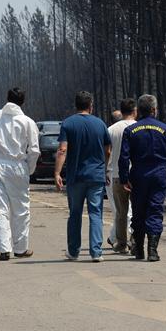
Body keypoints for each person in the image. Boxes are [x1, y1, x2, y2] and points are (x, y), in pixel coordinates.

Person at [0, 87, 40, 261]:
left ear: (7, 98)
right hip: (18, 165)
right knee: (21, 209)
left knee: (0, 208)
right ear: (22, 102)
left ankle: (4, 249)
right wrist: (29, 169)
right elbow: (34, 150)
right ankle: (20, 248)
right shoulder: (28, 121)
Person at [119, 94, 166, 261]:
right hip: (159, 175)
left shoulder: (130, 130)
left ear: (140, 110)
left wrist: (124, 178)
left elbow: (124, 157)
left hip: (138, 175)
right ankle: (152, 250)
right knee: (155, 210)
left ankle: (139, 249)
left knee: (138, 212)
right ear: (153, 110)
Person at [54, 91, 111, 262]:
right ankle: (96, 252)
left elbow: (62, 150)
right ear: (90, 105)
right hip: (96, 177)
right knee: (95, 213)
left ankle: (73, 251)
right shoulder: (100, 124)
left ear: (76, 105)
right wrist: (104, 168)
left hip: (75, 177)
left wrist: (57, 172)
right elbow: (108, 149)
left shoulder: (68, 123)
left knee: (75, 214)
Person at [105, 98, 137, 254]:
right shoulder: (140, 127)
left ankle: (119, 241)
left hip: (115, 174)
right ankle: (133, 240)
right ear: (135, 111)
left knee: (120, 211)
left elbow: (107, 152)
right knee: (134, 210)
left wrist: (104, 170)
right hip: (137, 174)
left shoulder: (111, 129)